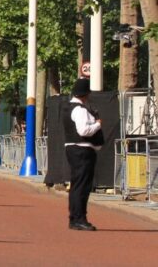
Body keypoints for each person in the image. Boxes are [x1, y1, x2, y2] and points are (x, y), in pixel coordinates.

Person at [64, 78, 103, 231]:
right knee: (82, 186)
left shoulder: (68, 107)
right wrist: (98, 124)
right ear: (85, 94)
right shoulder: (80, 110)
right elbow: (84, 131)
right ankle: (79, 218)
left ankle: (75, 217)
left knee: (76, 185)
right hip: (82, 150)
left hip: (73, 149)